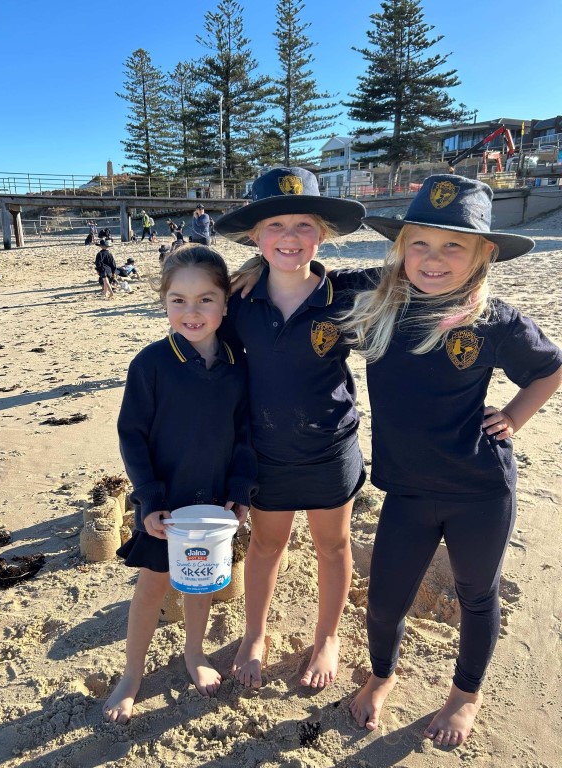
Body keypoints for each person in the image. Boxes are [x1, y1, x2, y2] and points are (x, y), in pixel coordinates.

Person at [336, 175, 562, 746]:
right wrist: (249, 273)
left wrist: (514, 416)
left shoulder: (495, 320)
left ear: (484, 253)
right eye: (420, 243)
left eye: (453, 245)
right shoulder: (380, 303)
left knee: (476, 594)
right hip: (407, 491)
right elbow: (305, 279)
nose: (433, 259)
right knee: (383, 602)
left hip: (479, 490)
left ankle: (465, 695)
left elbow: (550, 368)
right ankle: (381, 676)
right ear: (401, 248)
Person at [214, 167, 367, 690]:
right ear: (255, 237)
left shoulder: (346, 294)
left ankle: (327, 637)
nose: (289, 236)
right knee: (266, 545)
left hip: (330, 449)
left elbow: (418, 278)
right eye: (275, 225)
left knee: (333, 546)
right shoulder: (237, 301)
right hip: (267, 451)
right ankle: (255, 633)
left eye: (303, 224)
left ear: (322, 234)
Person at [102, 244, 258, 723]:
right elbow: (132, 436)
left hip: (213, 502)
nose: (192, 312)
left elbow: (245, 433)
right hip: (164, 504)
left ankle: (195, 651)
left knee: (200, 582)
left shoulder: (237, 364)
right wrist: (149, 498)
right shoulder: (151, 363)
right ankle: (132, 674)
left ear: (225, 303)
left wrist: (240, 489)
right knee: (152, 586)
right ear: (164, 302)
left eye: (206, 299)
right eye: (179, 300)